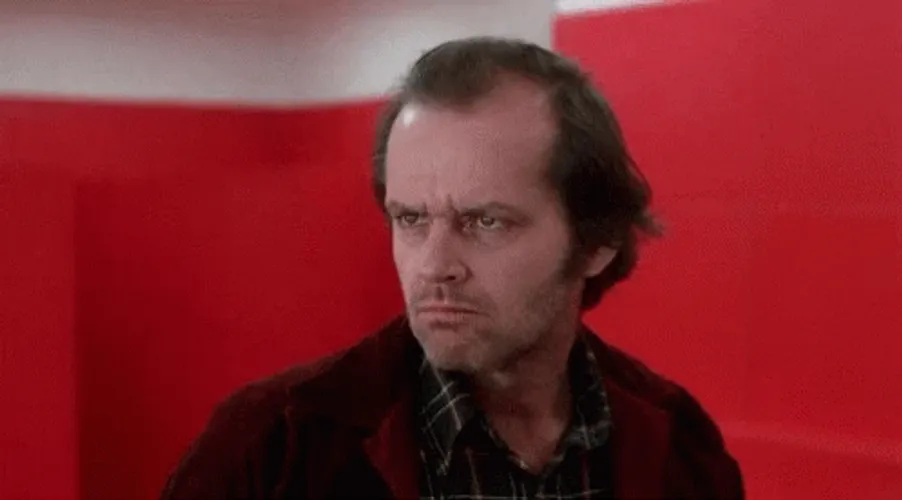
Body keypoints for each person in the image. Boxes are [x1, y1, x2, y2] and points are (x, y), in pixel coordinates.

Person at [161, 36, 744, 500]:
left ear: (598, 241)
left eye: (486, 222)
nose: (434, 266)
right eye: (411, 219)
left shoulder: (677, 446)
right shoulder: (272, 450)